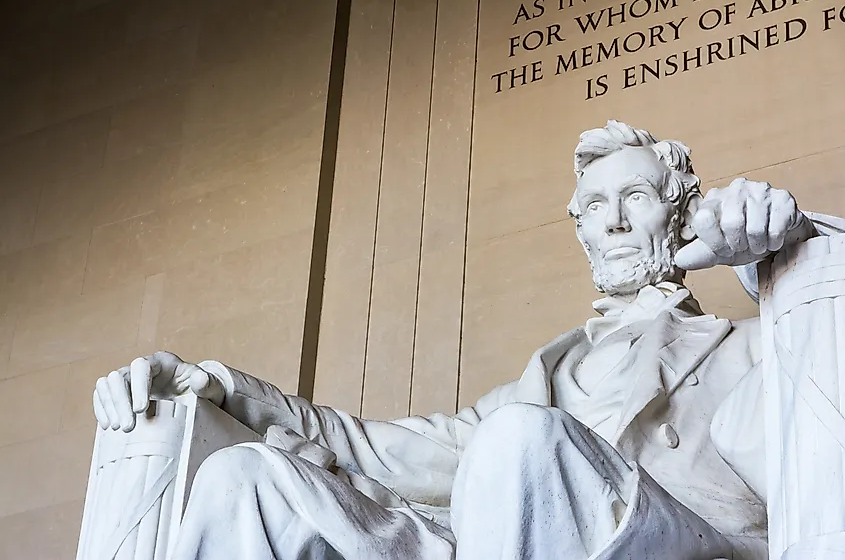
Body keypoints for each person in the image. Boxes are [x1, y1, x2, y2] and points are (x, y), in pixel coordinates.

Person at [92, 121, 823, 559]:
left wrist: (785, 246)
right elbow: (375, 448)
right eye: (595, 205)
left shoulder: (755, 345)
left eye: (635, 196)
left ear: (683, 209)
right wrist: (216, 384)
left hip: (676, 545)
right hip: (488, 532)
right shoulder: (549, 375)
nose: (615, 221)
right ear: (580, 228)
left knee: (516, 442)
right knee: (242, 479)